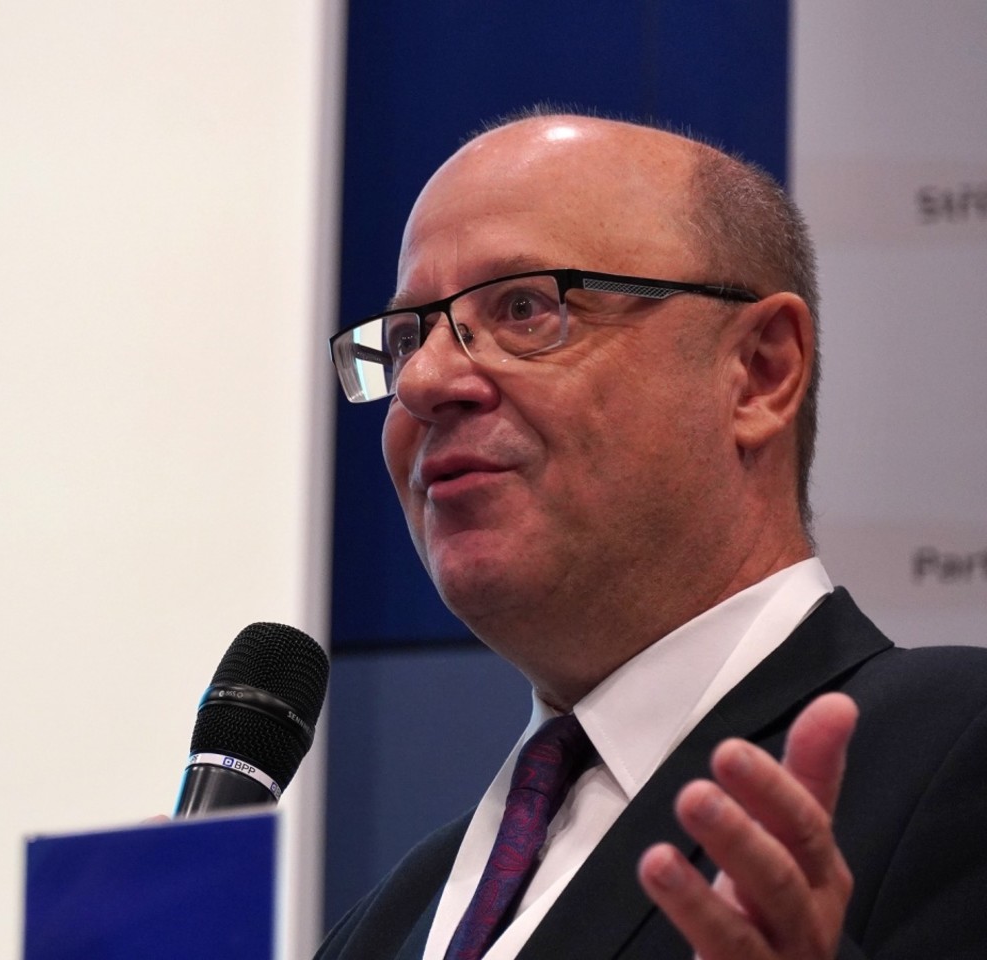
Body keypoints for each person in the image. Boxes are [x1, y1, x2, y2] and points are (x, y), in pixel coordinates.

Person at [317, 111, 987, 959]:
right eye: (406, 338)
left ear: (760, 373)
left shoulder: (954, 750)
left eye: (525, 307)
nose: (424, 380)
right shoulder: (382, 926)